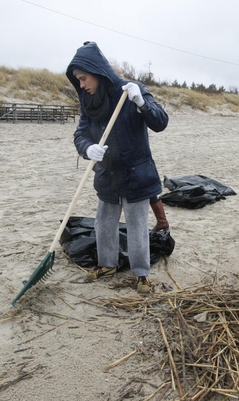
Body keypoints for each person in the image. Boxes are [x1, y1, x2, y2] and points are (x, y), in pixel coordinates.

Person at [66, 41, 169, 294]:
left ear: (97, 72)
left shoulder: (131, 90)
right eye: (78, 80)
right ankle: (107, 264)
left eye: (83, 78)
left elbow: (160, 122)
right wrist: (87, 148)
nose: (81, 85)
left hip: (136, 173)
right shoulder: (89, 102)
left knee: (136, 228)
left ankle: (141, 275)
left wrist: (142, 103)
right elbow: (80, 134)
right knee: (103, 224)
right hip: (107, 175)